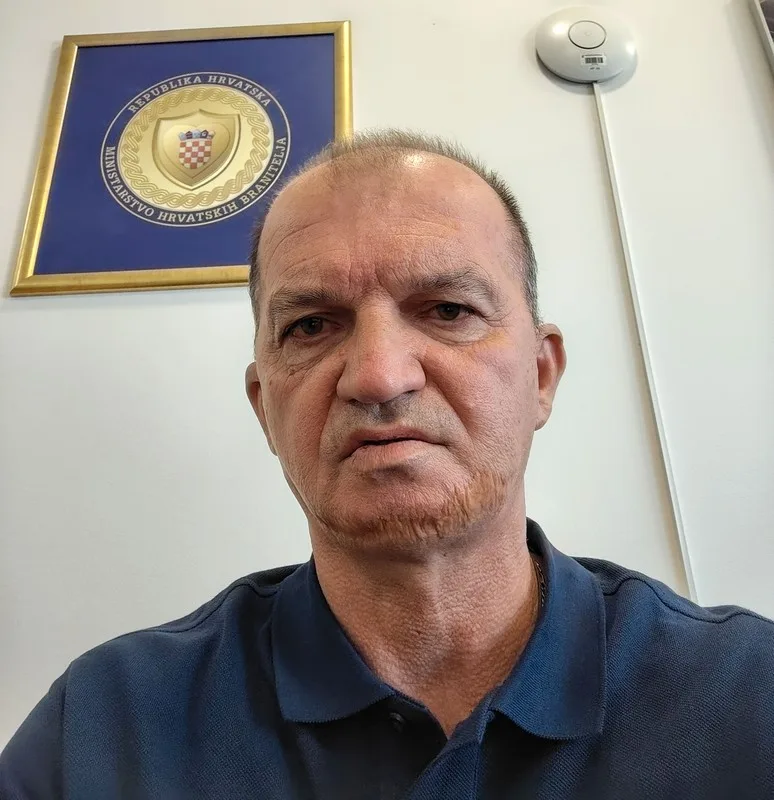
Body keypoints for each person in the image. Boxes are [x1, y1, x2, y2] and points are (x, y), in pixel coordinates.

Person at [1, 130, 773, 799]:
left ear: (541, 376)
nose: (377, 375)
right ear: (265, 406)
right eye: (312, 325)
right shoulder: (106, 725)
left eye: (448, 310)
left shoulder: (748, 694)